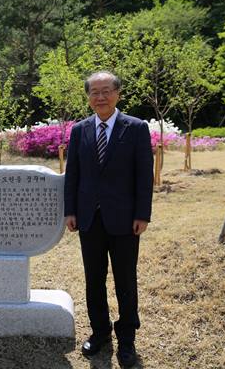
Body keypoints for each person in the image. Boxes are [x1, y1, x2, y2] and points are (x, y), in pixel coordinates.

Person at [64, 71, 153, 366]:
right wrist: (71, 210)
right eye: (94, 92)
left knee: (126, 280)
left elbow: (144, 176)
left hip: (126, 219)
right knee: (94, 279)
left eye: (106, 91)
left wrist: (143, 214)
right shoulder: (80, 130)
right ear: (88, 97)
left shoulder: (136, 128)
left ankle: (127, 338)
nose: (100, 97)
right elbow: (73, 175)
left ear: (117, 94)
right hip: (89, 218)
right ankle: (100, 332)